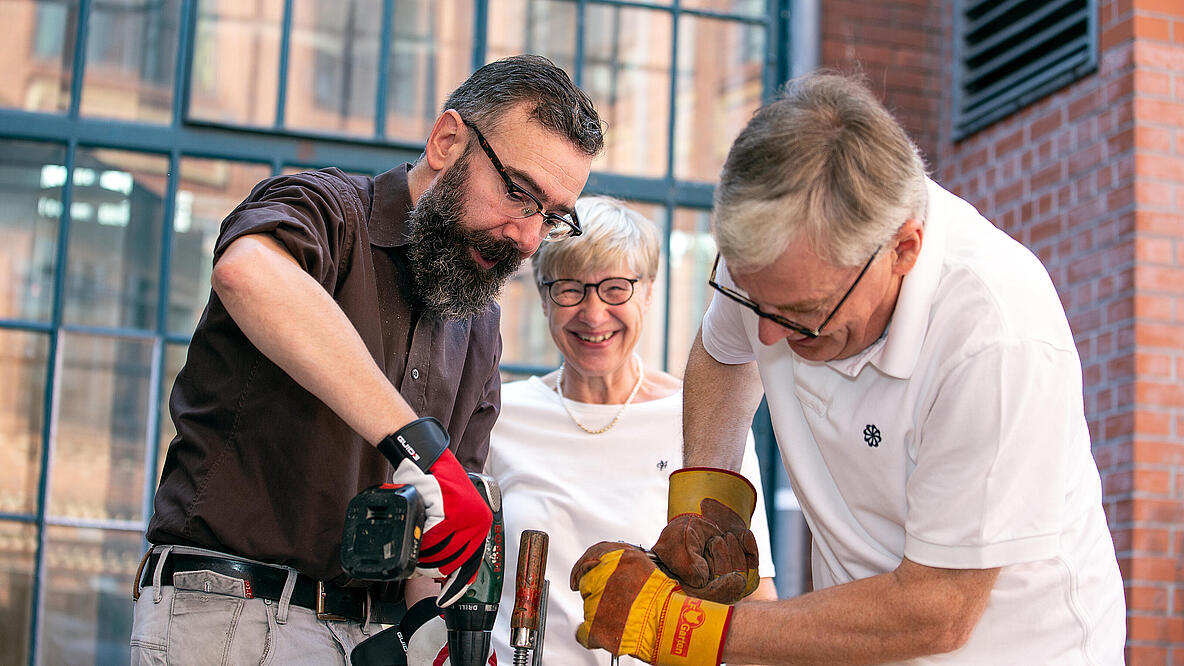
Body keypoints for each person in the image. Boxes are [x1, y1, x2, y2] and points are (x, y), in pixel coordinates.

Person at [570, 72, 1125, 665]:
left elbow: (940, 609)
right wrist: (706, 514)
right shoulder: (776, 256)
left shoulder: (995, 337)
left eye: (804, 314)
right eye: (756, 302)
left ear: (903, 248)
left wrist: (682, 629)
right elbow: (724, 356)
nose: (769, 334)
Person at [129, 54, 603, 665]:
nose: (529, 237)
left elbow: (439, 533)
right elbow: (247, 274)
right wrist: (419, 446)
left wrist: (443, 627)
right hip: (232, 616)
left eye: (552, 216)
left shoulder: (479, 323)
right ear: (447, 142)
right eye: (519, 193)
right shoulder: (325, 209)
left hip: (372, 642)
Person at [483, 197, 778, 665]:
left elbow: (752, 593)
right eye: (570, 289)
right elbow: (446, 577)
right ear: (543, 298)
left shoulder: (702, 418)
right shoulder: (501, 414)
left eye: (616, 288)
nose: (594, 314)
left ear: (648, 291)